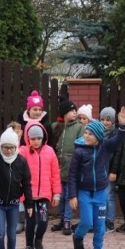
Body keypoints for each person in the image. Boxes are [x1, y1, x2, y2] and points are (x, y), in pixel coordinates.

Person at [69, 107, 125, 249]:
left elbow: (118, 140)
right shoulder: (79, 151)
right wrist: (72, 195)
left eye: (90, 134)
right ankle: (78, 237)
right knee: (87, 222)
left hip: (101, 192)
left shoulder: (105, 146)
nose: (86, 136)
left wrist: (122, 126)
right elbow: (73, 175)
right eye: (86, 133)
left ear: (99, 137)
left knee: (100, 225)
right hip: (84, 192)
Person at [19, 121, 61, 249]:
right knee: (30, 222)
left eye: (38, 138)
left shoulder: (49, 151)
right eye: (33, 138)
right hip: (29, 195)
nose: (36, 141)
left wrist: (56, 193)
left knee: (43, 221)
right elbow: (17, 171)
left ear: (43, 138)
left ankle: (38, 241)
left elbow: (55, 173)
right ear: (28, 138)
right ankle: (29, 248)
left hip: (44, 194)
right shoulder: (23, 151)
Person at [14, 90, 52, 234]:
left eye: (39, 109)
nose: (37, 112)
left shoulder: (46, 124)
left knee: (37, 194)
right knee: (22, 190)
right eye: (34, 109)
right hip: (25, 161)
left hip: (40, 163)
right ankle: (20, 219)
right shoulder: (21, 124)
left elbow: (50, 143)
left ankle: (36, 221)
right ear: (28, 110)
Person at [50, 96, 84, 235]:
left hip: (71, 166)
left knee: (69, 195)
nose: (74, 113)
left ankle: (67, 221)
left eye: (75, 110)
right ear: (64, 113)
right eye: (71, 111)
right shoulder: (55, 126)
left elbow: (80, 147)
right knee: (60, 194)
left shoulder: (79, 127)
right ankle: (61, 218)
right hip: (58, 165)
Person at [100, 106, 119, 232]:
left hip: (109, 169)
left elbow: (117, 154)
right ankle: (102, 220)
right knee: (102, 196)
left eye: (108, 120)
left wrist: (113, 171)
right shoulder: (98, 132)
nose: (105, 122)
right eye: (103, 119)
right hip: (100, 169)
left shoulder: (116, 134)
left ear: (113, 121)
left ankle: (110, 221)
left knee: (109, 196)